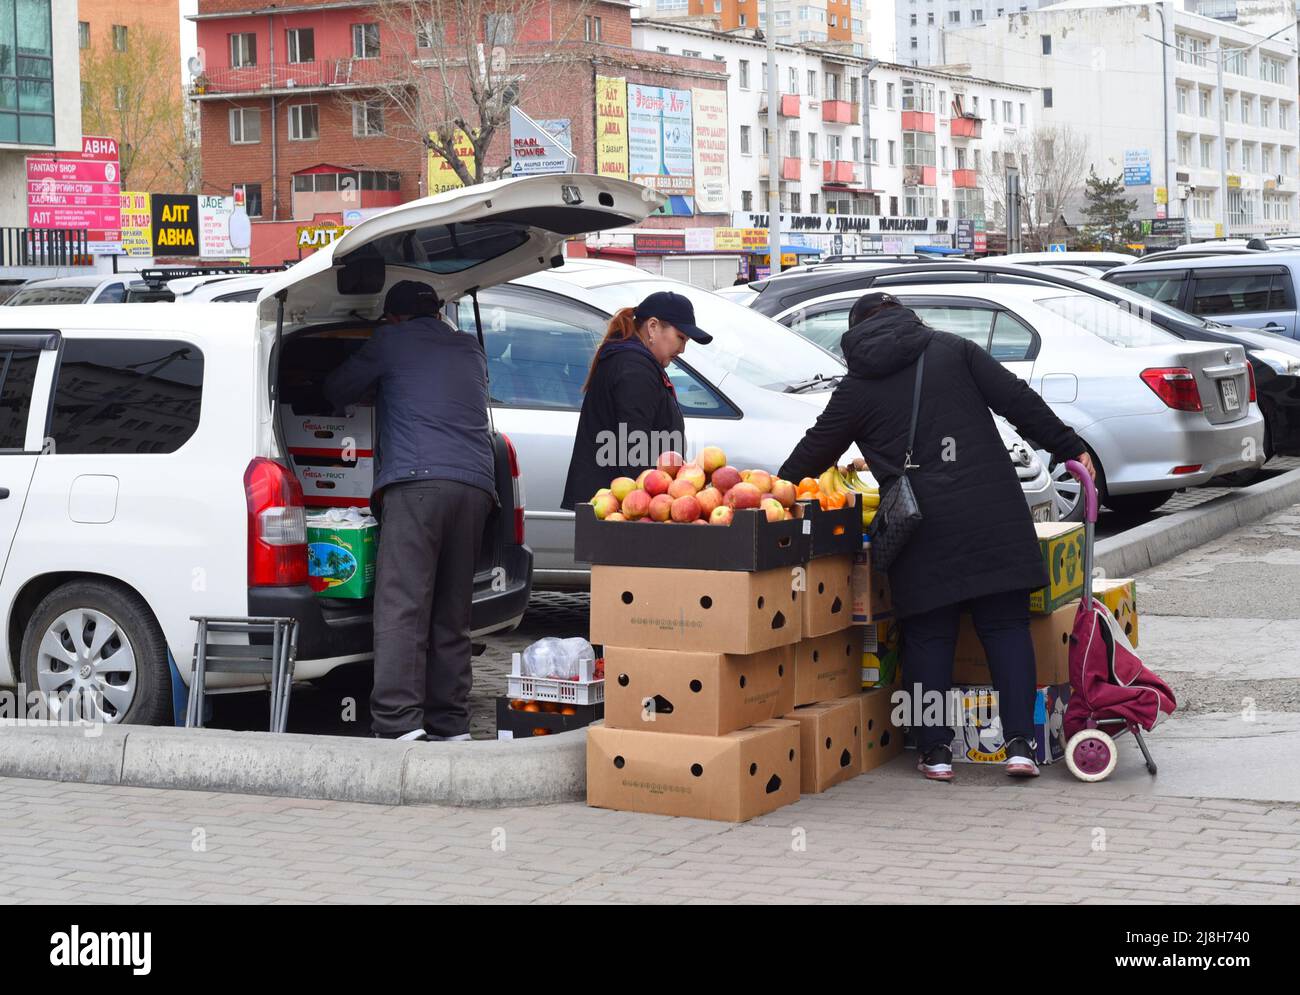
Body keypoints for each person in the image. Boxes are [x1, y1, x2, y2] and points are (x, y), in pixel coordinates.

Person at [777, 292, 1095, 782]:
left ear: (856, 334)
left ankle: (937, 752)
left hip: (919, 524)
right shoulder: (953, 350)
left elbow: (814, 450)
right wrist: (1068, 445)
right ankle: (1021, 746)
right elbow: (1018, 402)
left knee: (928, 633)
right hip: (990, 512)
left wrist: (773, 495)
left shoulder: (856, 388)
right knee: (1005, 627)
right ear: (906, 317)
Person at [324, 280, 497, 743]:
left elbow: (337, 387)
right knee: (452, 611)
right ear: (438, 314)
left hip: (418, 485)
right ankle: (450, 724)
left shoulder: (390, 340)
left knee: (403, 606)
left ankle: (398, 723)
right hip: (476, 489)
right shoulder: (469, 347)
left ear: (393, 317)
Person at [562, 291, 713, 510]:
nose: (682, 349)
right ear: (653, 327)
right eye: (680, 338)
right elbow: (635, 450)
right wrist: (663, 503)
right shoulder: (634, 369)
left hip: (619, 504)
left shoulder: (634, 362)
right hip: (623, 509)